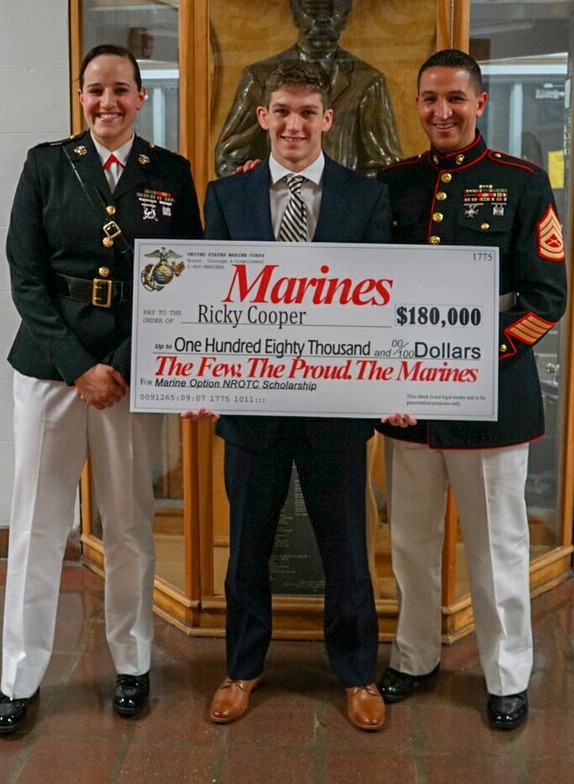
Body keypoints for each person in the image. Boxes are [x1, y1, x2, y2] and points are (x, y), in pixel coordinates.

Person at [0, 44, 203, 735]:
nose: (106, 102)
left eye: (119, 90)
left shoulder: (169, 173)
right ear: (80, 97)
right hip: (52, 370)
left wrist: (118, 359)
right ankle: (19, 677)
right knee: (37, 526)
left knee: (130, 525)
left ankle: (133, 664)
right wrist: (77, 363)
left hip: (129, 371)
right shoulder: (46, 165)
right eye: (93, 90)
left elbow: (185, 272)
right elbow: (26, 276)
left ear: (141, 97)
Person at [377, 49, 567, 730]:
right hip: (406, 404)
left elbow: (547, 297)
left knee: (498, 547)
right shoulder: (391, 183)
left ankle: (506, 673)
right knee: (410, 542)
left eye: (455, 98)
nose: (441, 112)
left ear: (479, 103)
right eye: (429, 99)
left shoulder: (520, 183)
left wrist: (467, 359)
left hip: (490, 401)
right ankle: (414, 655)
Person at [200, 59, 391, 731]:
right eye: (281, 110)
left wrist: (393, 384)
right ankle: (242, 668)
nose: (293, 124)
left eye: (307, 112)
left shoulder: (365, 199)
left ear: (327, 120)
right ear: (262, 117)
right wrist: (198, 374)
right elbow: (208, 304)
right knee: (247, 546)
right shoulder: (224, 197)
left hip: (336, 413)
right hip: (251, 411)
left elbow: (382, 307)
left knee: (345, 548)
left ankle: (357, 674)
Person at [214, 0, 401, 178]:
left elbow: (385, 167)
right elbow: (228, 158)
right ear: (295, 14)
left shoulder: (367, 81)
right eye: (313, 10)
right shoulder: (258, 77)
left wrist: (347, 197)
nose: (322, 20)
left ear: (345, 17)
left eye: (332, 11)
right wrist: (255, 182)